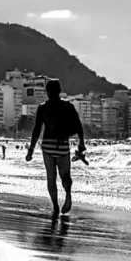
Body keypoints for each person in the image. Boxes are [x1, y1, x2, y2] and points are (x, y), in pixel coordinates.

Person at [26, 79, 85, 218]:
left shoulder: (43, 108)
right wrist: (81, 143)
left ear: (47, 92)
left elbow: (37, 129)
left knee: (51, 178)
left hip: (48, 145)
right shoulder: (67, 106)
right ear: (60, 91)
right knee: (65, 176)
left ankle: (55, 206)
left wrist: (31, 149)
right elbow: (78, 125)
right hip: (62, 144)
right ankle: (68, 196)